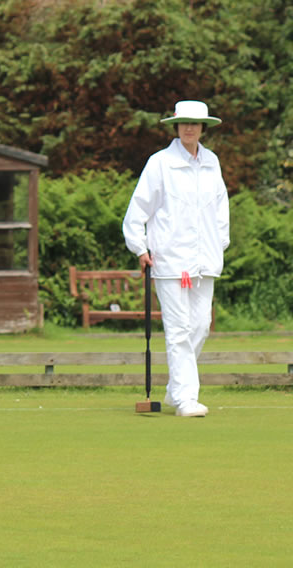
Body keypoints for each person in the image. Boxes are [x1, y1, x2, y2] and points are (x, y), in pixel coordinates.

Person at [123, 100, 230, 418]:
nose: (189, 128)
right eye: (184, 122)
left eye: (195, 124)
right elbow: (138, 209)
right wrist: (140, 247)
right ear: (176, 126)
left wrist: (218, 246)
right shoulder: (160, 163)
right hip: (169, 262)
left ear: (203, 128)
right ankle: (186, 398)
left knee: (200, 328)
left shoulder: (212, 162)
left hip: (205, 262)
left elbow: (220, 210)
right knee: (179, 329)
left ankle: (174, 389)